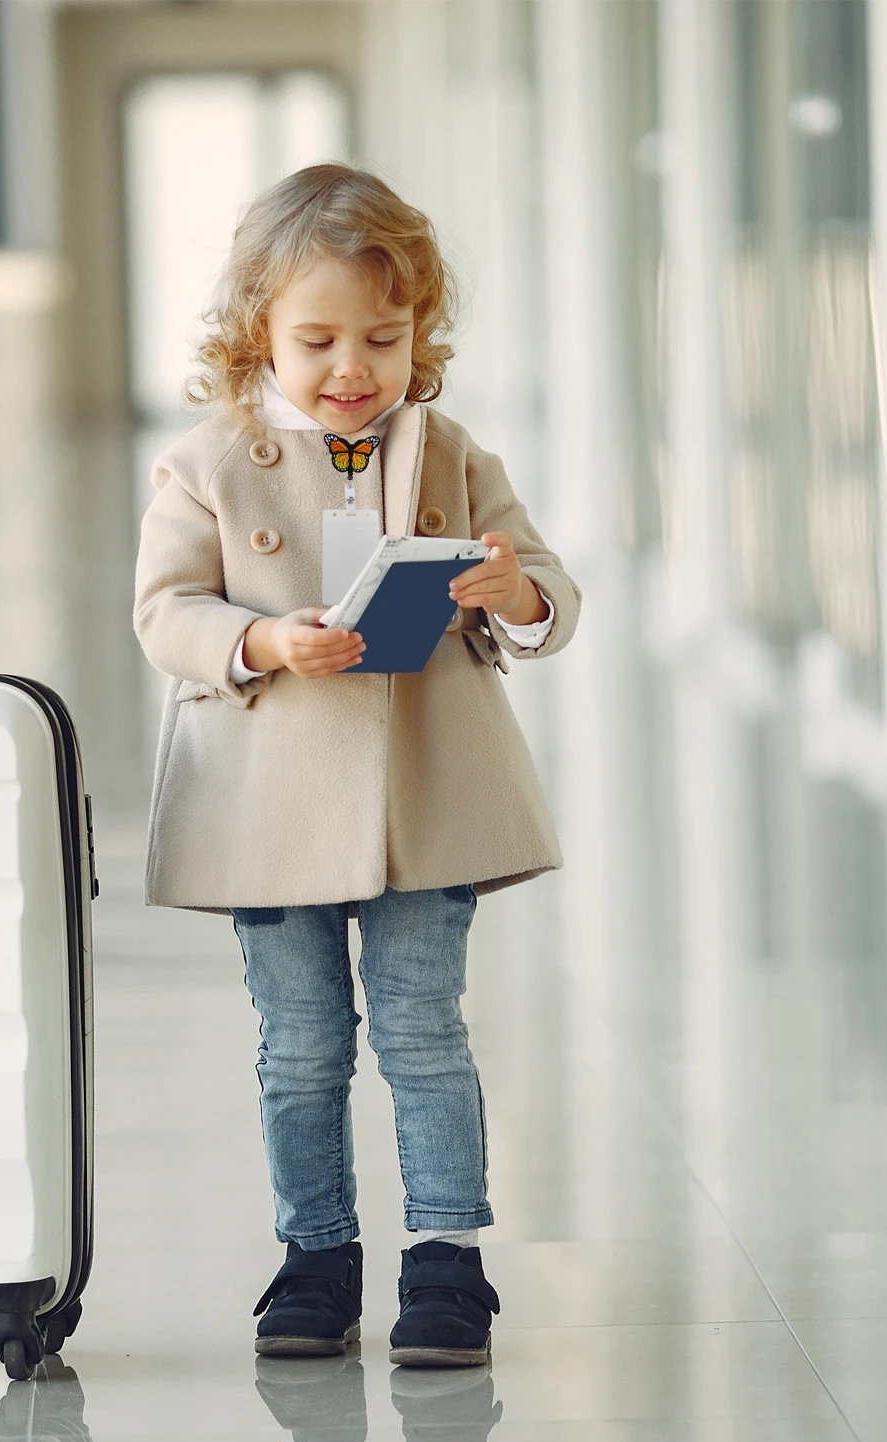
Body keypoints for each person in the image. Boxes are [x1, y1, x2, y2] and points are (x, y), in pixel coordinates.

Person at [133, 163, 580, 1367]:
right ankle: (315, 1253)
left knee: (423, 1027)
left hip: (420, 796)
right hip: (268, 800)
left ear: (417, 336)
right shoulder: (206, 464)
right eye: (317, 338)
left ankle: (446, 1260)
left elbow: (548, 588)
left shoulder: (449, 451)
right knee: (301, 1040)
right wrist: (261, 638)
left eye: (382, 338)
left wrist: (514, 589)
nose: (352, 369)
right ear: (254, 338)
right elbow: (163, 611)